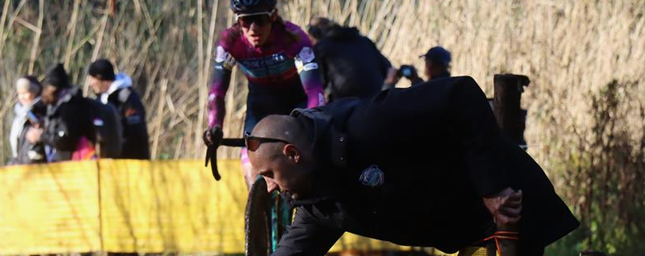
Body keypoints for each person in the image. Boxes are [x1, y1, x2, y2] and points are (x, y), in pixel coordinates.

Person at [246, 76, 579, 256]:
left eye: (269, 176)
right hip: (466, 235)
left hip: (510, 210)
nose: (271, 188)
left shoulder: (367, 123)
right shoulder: (318, 203)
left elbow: (460, 94)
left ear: (292, 154)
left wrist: (491, 188)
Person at [204, 0, 325, 186]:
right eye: (245, 20)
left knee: (306, 161)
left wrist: (314, 121)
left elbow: (314, 90)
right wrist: (214, 126)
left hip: (296, 101)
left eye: (259, 19)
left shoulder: (293, 39)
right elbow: (217, 92)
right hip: (260, 104)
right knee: (251, 169)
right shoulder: (230, 42)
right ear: (237, 20)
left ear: (273, 16)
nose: (253, 28)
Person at [307, 17, 396, 100]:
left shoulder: (321, 48)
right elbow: (390, 70)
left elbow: (317, 85)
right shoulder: (365, 41)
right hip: (375, 101)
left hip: (345, 106)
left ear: (315, 35)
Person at [26, 64, 95, 162]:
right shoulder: (60, 104)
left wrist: (40, 136)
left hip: (71, 164)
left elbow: (65, 139)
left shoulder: (69, 106)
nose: (44, 92)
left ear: (53, 88)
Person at [87, 59, 150, 160]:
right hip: (110, 162)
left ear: (102, 79)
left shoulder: (127, 98)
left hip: (131, 162)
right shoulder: (101, 99)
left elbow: (135, 132)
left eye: (92, 79)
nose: (90, 84)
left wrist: (115, 152)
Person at [9, 76, 47, 164]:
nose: (22, 97)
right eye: (19, 93)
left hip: (38, 167)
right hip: (21, 165)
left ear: (35, 93)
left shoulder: (41, 113)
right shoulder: (20, 117)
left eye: (26, 93)